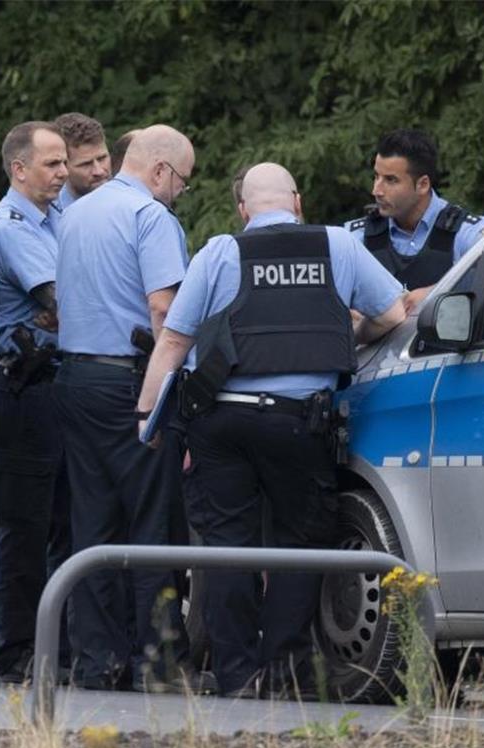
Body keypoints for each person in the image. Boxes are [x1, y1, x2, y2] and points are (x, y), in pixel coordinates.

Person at [135, 162, 406, 699]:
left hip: (223, 421)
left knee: (227, 546)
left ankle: (237, 675)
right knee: (300, 543)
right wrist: (351, 331)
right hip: (299, 422)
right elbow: (394, 313)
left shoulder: (219, 251)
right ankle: (283, 671)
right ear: (298, 202)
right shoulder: (339, 246)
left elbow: (173, 341)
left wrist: (148, 418)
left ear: (243, 210)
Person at [54, 124, 210, 693]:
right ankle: (160, 663)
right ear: (163, 171)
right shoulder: (152, 219)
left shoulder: (74, 214)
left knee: (92, 525)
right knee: (151, 524)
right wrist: (166, 398)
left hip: (75, 379)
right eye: (183, 183)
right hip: (132, 384)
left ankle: (98, 661)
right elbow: (165, 314)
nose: (180, 194)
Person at [0, 121, 74, 684]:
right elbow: (61, 303)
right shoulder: (12, 226)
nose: (64, 173)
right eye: (53, 164)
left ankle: (55, 648)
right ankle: (16, 651)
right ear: (20, 169)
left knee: (65, 521)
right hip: (26, 386)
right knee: (25, 526)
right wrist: (75, 303)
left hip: (59, 383)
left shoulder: (60, 216)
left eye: (65, 163)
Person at [345, 128, 484, 311]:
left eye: (391, 180)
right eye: (376, 177)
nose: (376, 190)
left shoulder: (465, 232)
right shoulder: (355, 237)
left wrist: (436, 293)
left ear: (422, 184)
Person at [53, 112, 111, 210]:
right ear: (63, 167)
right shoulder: (49, 213)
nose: (99, 171)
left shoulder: (132, 199)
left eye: (102, 158)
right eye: (86, 164)